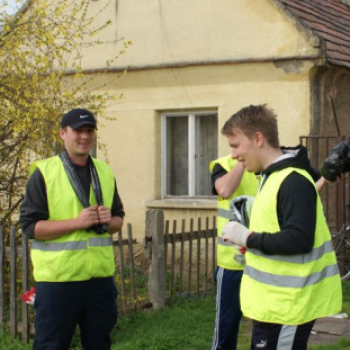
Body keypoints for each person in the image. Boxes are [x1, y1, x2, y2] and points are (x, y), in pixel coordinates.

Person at [220, 104, 342, 350]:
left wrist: (248, 238)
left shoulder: (292, 180)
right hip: (273, 307)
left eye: (235, 145)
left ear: (258, 139)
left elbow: (299, 239)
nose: (233, 155)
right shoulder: (271, 176)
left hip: (288, 309)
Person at [20, 108, 125, 350]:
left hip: (99, 280)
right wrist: (76, 223)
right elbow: (30, 228)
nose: (84, 136)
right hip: (59, 281)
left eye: (89, 131)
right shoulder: (44, 173)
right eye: (78, 131)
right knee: (51, 346)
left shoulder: (105, 172)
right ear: (62, 134)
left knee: (99, 344)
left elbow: (118, 220)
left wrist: (109, 221)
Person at [209, 156, 258, 350]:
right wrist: (242, 160)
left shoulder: (268, 165)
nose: (235, 148)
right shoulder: (223, 165)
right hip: (231, 265)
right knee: (226, 327)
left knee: (264, 327)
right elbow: (225, 190)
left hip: (262, 262)